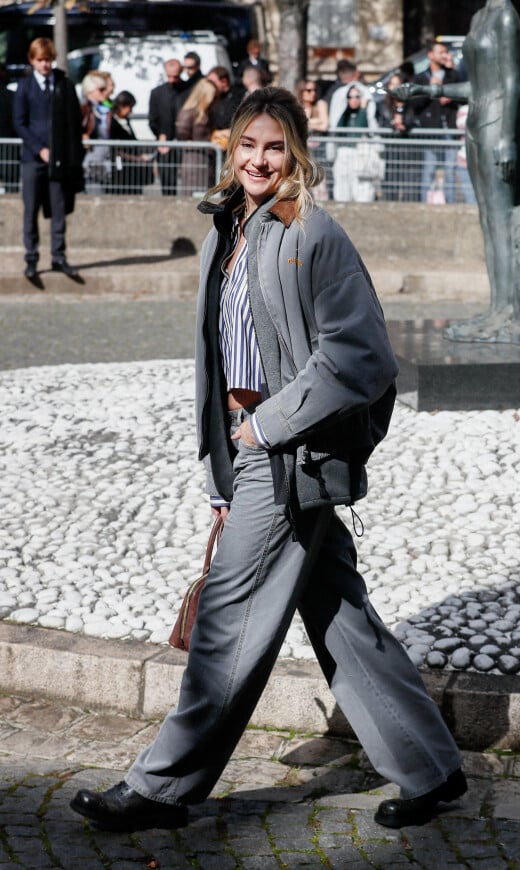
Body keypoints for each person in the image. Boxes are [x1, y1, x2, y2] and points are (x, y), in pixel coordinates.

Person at [70, 85, 466, 835]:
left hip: (286, 454)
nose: (259, 159)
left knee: (226, 618)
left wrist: (267, 429)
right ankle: (432, 767)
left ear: (297, 153)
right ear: (230, 149)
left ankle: (161, 787)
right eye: (247, 145)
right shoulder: (231, 225)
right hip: (252, 450)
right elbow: (221, 358)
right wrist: (219, 461)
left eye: (274, 146)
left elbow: (362, 356)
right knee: (340, 614)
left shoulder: (313, 234)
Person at [392, 0, 520, 335]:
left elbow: (512, 82)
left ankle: (509, 309)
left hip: (497, 128)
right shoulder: (481, 16)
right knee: (487, 220)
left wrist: (509, 136)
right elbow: (476, 86)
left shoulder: (507, 16)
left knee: (501, 220)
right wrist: (428, 89)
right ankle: (497, 305)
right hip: (477, 126)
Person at [12, 37, 84, 280]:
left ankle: (59, 257)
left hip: (59, 159)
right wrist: (39, 148)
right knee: (31, 210)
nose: (44, 65)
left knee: (59, 208)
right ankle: (31, 258)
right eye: (40, 60)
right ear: (32, 60)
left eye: (48, 60)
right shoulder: (24, 87)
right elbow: (19, 123)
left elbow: (73, 121)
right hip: (33, 159)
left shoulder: (63, 84)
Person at [410, 40, 461, 203]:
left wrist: (450, 97)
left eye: (446, 52)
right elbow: (414, 104)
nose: (444, 55)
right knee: (430, 168)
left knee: (450, 168)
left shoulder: (452, 75)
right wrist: (429, 91)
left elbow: (464, 96)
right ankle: (425, 202)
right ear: (430, 55)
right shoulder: (420, 78)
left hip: (449, 129)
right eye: (441, 52)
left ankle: (451, 202)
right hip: (431, 130)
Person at [332, 82, 381, 202]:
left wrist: (364, 109)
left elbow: (362, 128)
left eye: (357, 96)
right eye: (350, 97)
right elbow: (338, 127)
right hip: (344, 153)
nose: (353, 100)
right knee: (342, 186)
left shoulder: (364, 112)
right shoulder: (343, 114)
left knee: (362, 188)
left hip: (361, 154)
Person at [149, 58, 189, 195]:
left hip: (185, 142)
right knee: (167, 180)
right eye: (169, 76)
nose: (172, 80)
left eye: (176, 76)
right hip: (165, 143)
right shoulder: (157, 93)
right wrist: (160, 134)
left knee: (189, 180)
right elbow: (153, 119)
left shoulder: (188, 91)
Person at [378, 71, 418, 202]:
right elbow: (379, 125)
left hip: (409, 154)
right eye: (392, 84)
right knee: (390, 191)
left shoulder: (412, 105)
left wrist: (405, 125)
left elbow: (416, 122)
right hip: (391, 153)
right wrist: (392, 125)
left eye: (398, 84)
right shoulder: (383, 106)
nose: (394, 87)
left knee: (410, 194)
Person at [176, 77, 219, 197]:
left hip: (207, 159)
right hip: (195, 161)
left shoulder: (207, 114)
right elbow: (183, 134)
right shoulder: (188, 113)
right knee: (195, 195)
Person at [107, 90, 155, 195]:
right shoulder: (112, 122)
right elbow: (116, 149)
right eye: (129, 107)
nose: (130, 111)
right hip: (120, 169)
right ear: (122, 105)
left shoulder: (126, 121)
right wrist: (137, 158)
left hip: (131, 170)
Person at [297, 78, 329, 200]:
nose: (313, 93)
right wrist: (316, 122)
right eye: (309, 90)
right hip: (302, 151)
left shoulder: (320, 104)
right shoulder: (297, 106)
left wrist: (307, 122)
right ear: (302, 92)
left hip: (318, 150)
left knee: (319, 183)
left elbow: (325, 125)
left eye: (315, 90)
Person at [80, 71, 111, 193]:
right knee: (95, 191)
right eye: (101, 89)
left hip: (106, 157)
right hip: (92, 158)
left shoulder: (105, 108)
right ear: (91, 90)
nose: (105, 92)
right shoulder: (84, 108)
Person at [0, 62, 19, 193]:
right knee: (11, 189)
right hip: (9, 151)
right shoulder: (13, 97)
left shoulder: (13, 96)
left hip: (9, 149)